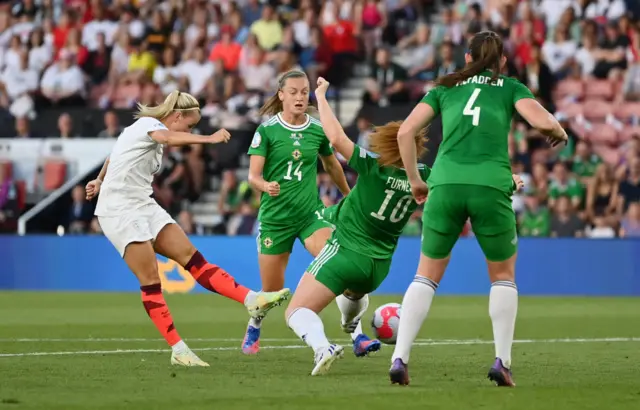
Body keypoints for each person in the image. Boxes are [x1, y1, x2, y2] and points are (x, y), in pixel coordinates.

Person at [285, 77, 524, 376]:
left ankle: (324, 347)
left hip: (346, 252)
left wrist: (321, 96)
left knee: (296, 311)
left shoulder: (373, 165)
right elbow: (460, 184)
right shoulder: (426, 176)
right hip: (378, 267)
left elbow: (334, 138)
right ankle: (352, 328)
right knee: (352, 292)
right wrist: (507, 180)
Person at [389, 31, 567, 387]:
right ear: (502, 61)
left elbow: (405, 132)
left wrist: (415, 181)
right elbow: (542, 121)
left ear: (467, 58)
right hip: (490, 186)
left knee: (425, 274)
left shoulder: (444, 88)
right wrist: (558, 130)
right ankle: (502, 361)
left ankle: (399, 357)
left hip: (446, 185)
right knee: (502, 275)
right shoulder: (510, 88)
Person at [85, 90, 290, 367]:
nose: (190, 131)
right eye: (190, 125)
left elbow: (114, 155)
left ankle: (251, 298)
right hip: (118, 210)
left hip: (143, 204)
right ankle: (178, 350)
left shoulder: (144, 133)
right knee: (151, 279)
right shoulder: (149, 125)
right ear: (177, 116)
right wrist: (208, 138)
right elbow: (167, 137)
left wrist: (98, 180)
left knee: (194, 259)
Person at [244, 70, 351, 355]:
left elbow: (332, 166)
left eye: (304, 91)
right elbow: (252, 176)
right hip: (275, 221)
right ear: (281, 96)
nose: (300, 97)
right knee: (271, 294)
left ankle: (357, 332)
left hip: (310, 217)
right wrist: (265, 185)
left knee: (337, 263)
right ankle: (255, 322)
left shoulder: (316, 130)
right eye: (293, 92)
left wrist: (349, 195)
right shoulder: (266, 131)